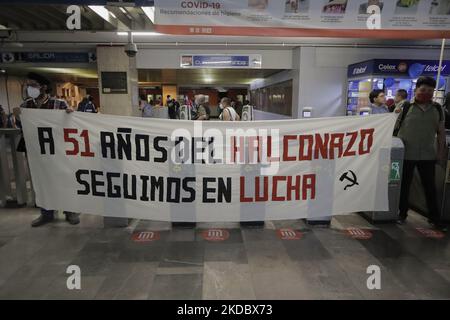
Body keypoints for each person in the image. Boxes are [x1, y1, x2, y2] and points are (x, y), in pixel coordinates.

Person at [19, 72, 80, 227]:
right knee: (42, 181)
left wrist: (71, 115)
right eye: (28, 85)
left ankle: (70, 211)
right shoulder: (26, 107)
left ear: (43, 87)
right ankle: (46, 213)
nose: (29, 88)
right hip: (37, 153)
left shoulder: (59, 105)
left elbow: (70, 125)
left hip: (58, 151)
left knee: (64, 180)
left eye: (33, 85)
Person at [395, 76, 447, 231]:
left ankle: (435, 219)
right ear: (416, 90)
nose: (426, 93)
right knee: (403, 186)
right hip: (406, 154)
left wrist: (441, 153)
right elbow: (393, 128)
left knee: (430, 187)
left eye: (430, 91)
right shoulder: (405, 107)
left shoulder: (438, 109)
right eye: (423, 90)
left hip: (427, 155)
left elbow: (441, 133)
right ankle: (402, 214)